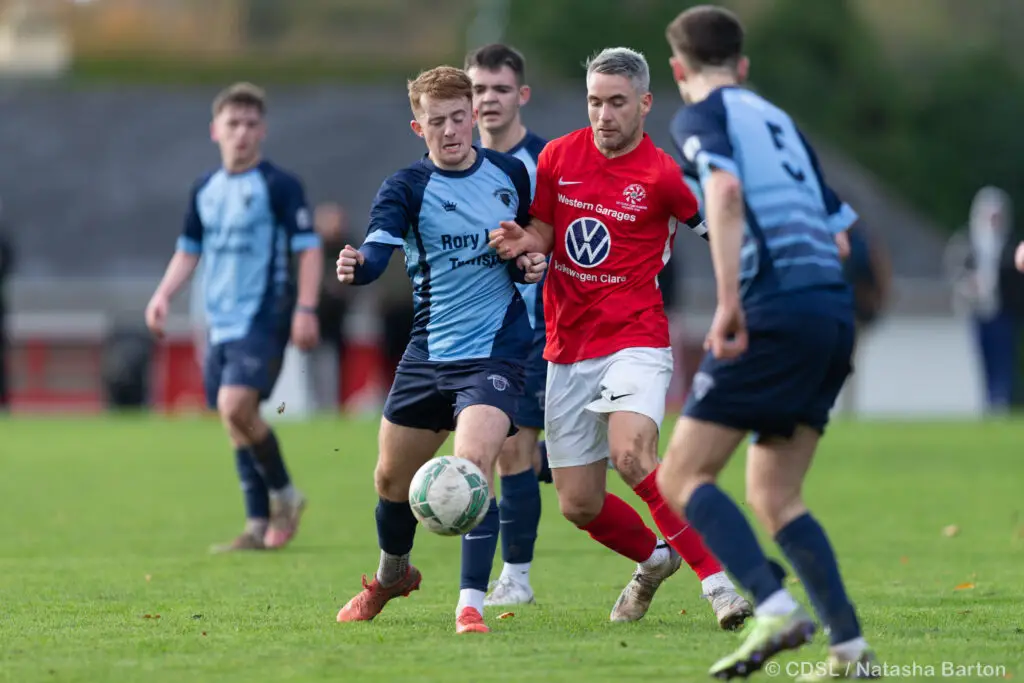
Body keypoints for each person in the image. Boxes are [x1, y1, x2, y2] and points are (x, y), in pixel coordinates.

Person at [488, 47, 751, 630]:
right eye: (594, 102)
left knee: (632, 456)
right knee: (578, 503)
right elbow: (544, 230)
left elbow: (721, 231)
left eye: (616, 103)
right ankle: (654, 562)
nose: (603, 115)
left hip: (636, 338)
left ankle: (719, 586)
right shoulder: (558, 157)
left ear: (645, 103)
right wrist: (525, 244)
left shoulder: (663, 175)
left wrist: (748, 290)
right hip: (567, 348)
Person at [654, 6, 873, 679]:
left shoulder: (701, 116)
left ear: (678, 69)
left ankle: (775, 609)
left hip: (774, 311)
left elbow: (722, 190)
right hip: (833, 312)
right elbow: (842, 236)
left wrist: (729, 301)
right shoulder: (780, 123)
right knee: (776, 495)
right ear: (743, 65)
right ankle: (850, 650)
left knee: (681, 476)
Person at [333, 66, 547, 635]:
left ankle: (469, 605)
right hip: (429, 353)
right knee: (389, 481)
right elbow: (377, 253)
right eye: (436, 122)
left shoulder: (510, 174)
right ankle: (392, 575)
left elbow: (529, 244)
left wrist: (530, 261)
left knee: (473, 467)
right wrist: (357, 267)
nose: (450, 131)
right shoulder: (405, 187)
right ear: (418, 127)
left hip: (496, 351)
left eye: (458, 118)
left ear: (473, 116)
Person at [145, 82, 322, 553]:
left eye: (250, 124)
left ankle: (286, 494)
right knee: (234, 420)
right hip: (217, 319)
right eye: (233, 123)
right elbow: (189, 249)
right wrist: (163, 295)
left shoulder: (279, 185)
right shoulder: (204, 189)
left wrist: (306, 308)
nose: (241, 132)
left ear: (262, 131)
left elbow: (308, 250)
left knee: (234, 406)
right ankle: (257, 525)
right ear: (215, 130)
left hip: (264, 313)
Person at [463, 42, 549, 608]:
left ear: (522, 95)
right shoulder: (454, 165)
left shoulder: (547, 163)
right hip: (471, 333)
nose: (488, 99)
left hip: (537, 330)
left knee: (515, 453)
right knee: (488, 453)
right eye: (478, 89)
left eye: (499, 89)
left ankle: (515, 577)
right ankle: (492, 579)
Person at [947, 187, 1024, 413]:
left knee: (1004, 360)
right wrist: (969, 285)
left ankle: (1002, 402)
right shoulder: (966, 242)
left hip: (1004, 312)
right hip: (977, 312)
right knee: (983, 360)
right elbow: (955, 271)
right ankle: (988, 403)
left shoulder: (1011, 244)